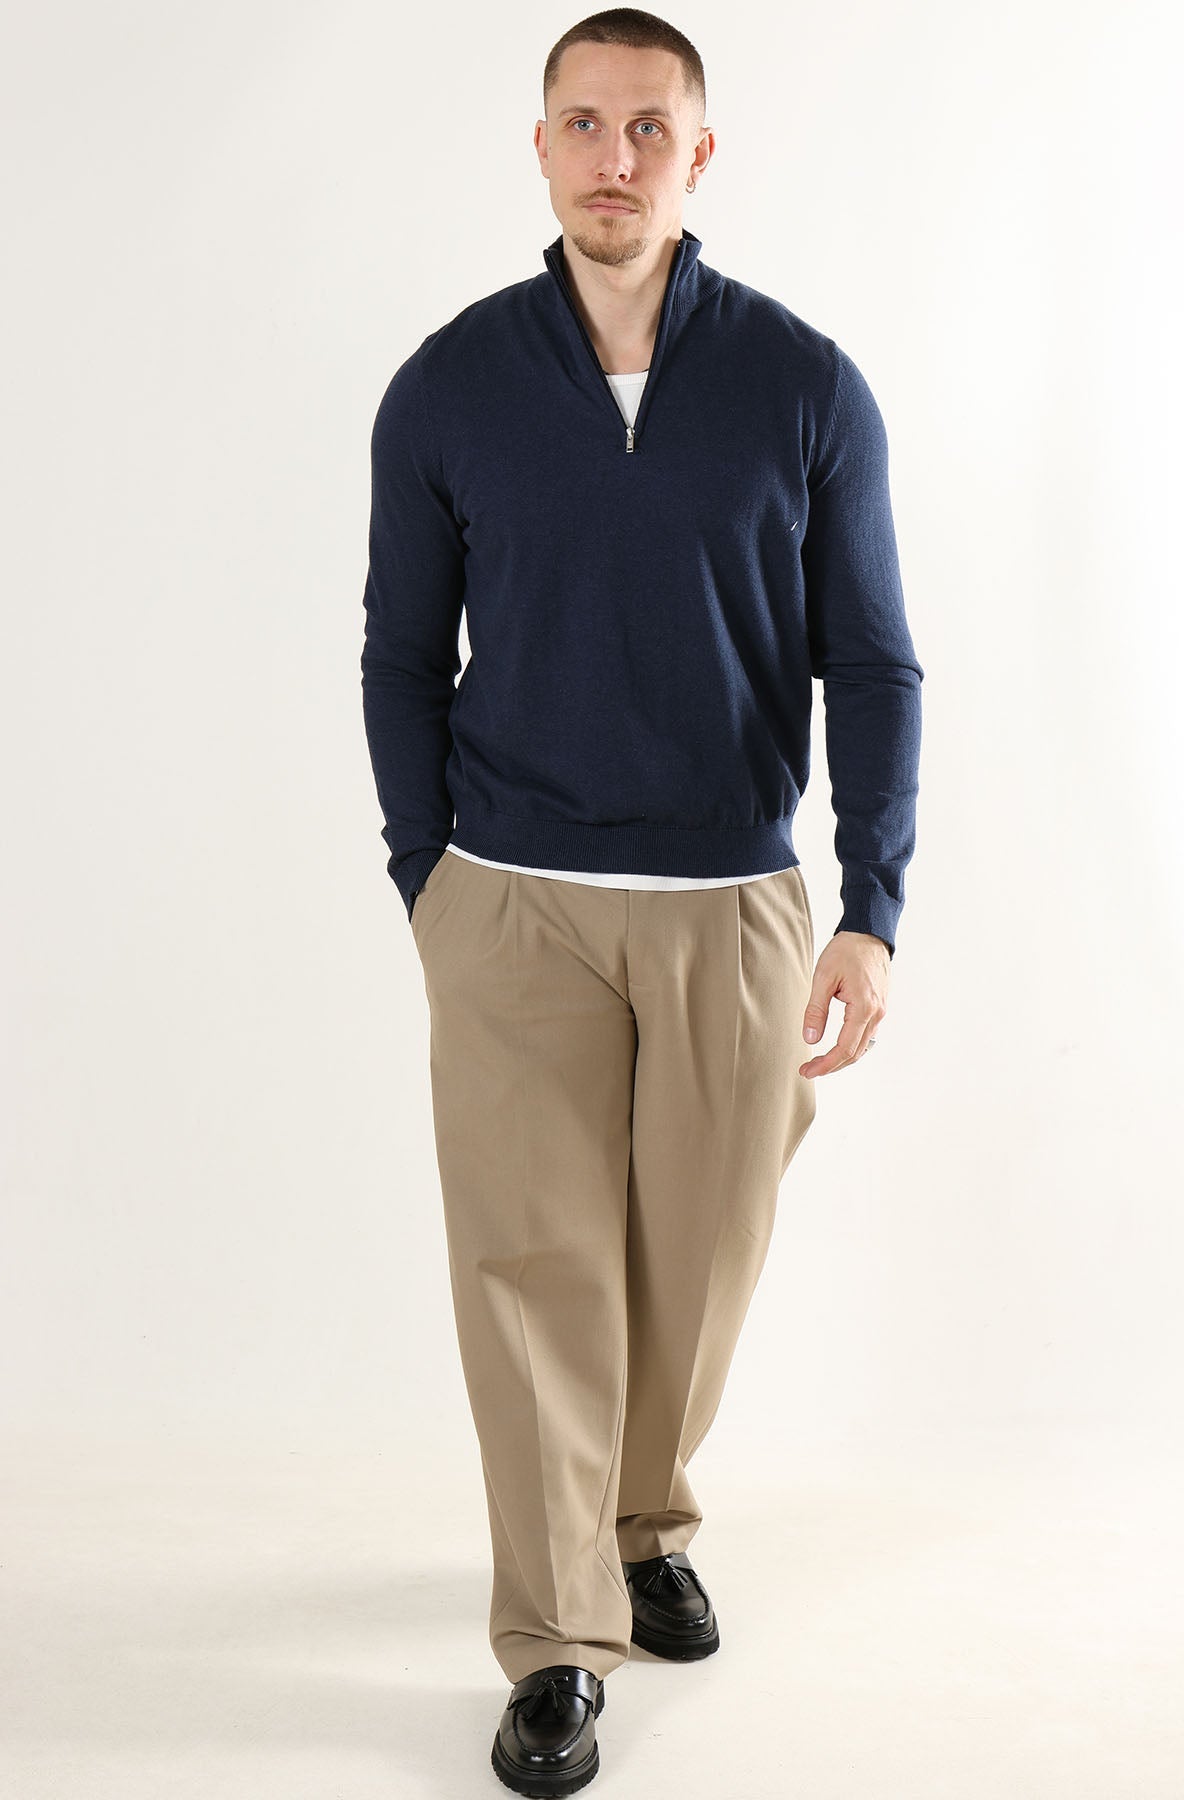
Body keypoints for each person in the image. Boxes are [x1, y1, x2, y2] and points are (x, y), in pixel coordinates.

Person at [359, 8, 923, 1791]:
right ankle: (555, 1641)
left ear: (699, 155)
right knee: (535, 1274)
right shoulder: (450, 386)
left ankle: (642, 1516)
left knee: (699, 1253)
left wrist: (872, 904)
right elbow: (398, 655)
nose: (615, 158)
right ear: (540, 148)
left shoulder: (805, 386)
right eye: (584, 125)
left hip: (733, 901)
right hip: (511, 900)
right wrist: (428, 879)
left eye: (648, 128)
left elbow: (871, 660)